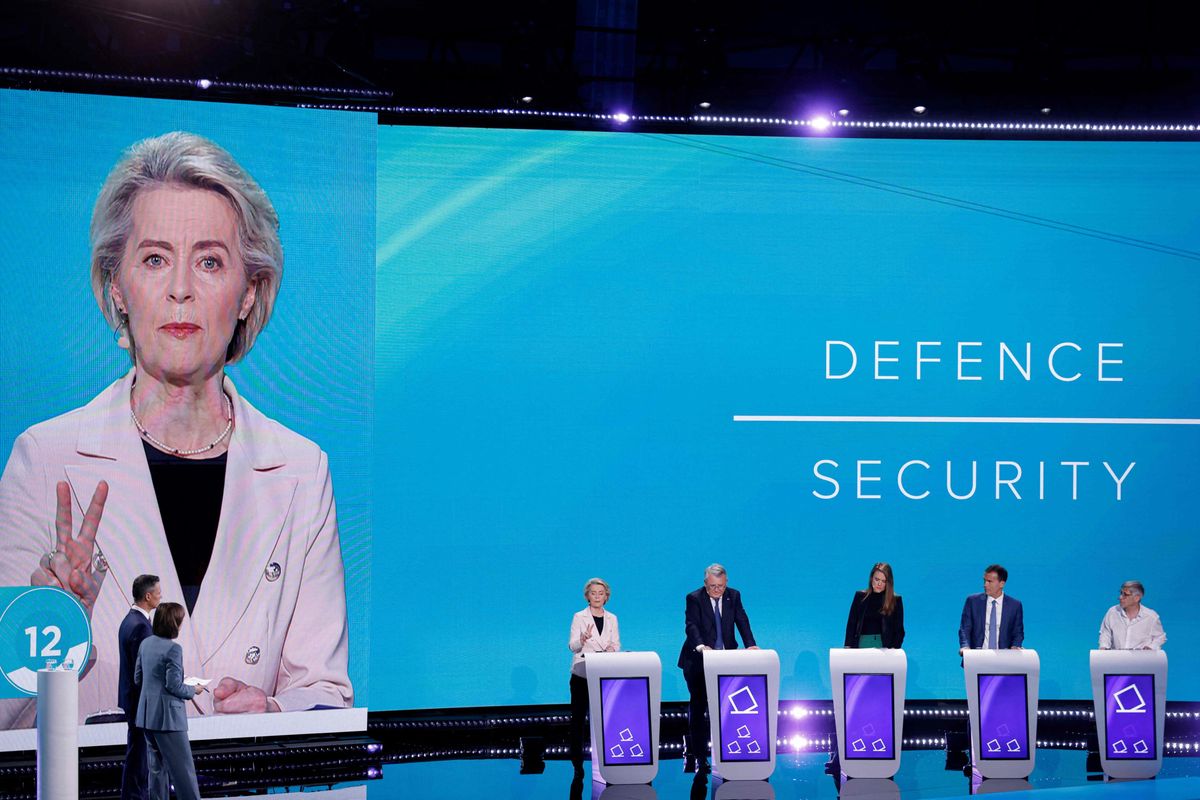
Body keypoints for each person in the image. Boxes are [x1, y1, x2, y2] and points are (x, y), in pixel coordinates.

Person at [0, 132, 351, 728]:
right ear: (117, 286)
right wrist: (59, 622)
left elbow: (324, 695)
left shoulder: (300, 469)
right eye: (155, 258)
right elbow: (6, 721)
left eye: (210, 261)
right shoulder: (45, 460)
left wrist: (271, 710)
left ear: (248, 293)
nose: (181, 289)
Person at [677, 563, 757, 772]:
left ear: (726, 583)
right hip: (698, 660)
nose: (717, 590)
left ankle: (729, 751)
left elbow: (742, 620)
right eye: (713, 586)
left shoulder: (734, 596)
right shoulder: (694, 598)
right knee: (699, 706)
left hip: (726, 660)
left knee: (726, 708)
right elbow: (691, 625)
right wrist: (702, 646)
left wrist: (751, 644)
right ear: (705, 584)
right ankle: (700, 756)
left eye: (720, 586)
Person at [135, 602, 205, 800]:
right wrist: (193, 689)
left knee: (157, 771)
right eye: (180, 621)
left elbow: (138, 678)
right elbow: (173, 686)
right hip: (168, 719)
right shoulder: (173, 649)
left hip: (147, 716)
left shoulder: (145, 644)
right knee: (184, 772)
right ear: (173, 623)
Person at [567, 577, 621, 769]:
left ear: (606, 596)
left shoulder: (612, 618)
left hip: (604, 673)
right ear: (587, 596)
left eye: (601, 593)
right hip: (582, 673)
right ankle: (577, 762)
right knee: (579, 718)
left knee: (604, 716)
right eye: (593, 593)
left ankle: (607, 756)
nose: (597, 596)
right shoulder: (578, 617)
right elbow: (572, 646)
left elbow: (616, 643)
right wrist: (582, 639)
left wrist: (611, 650)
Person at [119, 574, 161, 800]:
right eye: (158, 592)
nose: (160, 595)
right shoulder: (140, 626)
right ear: (147, 596)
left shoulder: (131, 620)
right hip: (140, 702)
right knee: (140, 758)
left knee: (136, 754)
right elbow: (143, 671)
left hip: (134, 700)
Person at [959, 564, 1024, 653]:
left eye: (989, 581)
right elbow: (965, 628)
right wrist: (965, 646)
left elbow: (1018, 632)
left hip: (1004, 658)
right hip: (977, 657)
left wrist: (1015, 646)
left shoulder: (1015, 605)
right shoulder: (973, 602)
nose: (985, 585)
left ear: (1002, 584)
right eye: (984, 581)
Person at [844, 562, 905, 649]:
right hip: (861, 645)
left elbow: (899, 630)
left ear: (888, 583)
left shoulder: (896, 600)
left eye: (883, 581)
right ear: (871, 578)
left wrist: (894, 650)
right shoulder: (860, 597)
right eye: (877, 579)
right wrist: (847, 647)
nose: (879, 584)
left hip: (884, 648)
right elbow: (851, 625)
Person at [1099, 580, 1167, 650]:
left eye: (1125, 594)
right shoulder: (1113, 612)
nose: (1120, 597)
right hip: (1117, 658)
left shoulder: (1151, 617)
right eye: (1121, 593)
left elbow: (1160, 637)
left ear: (1137, 598)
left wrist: (1151, 647)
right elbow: (1105, 633)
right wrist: (1103, 647)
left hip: (1141, 659)